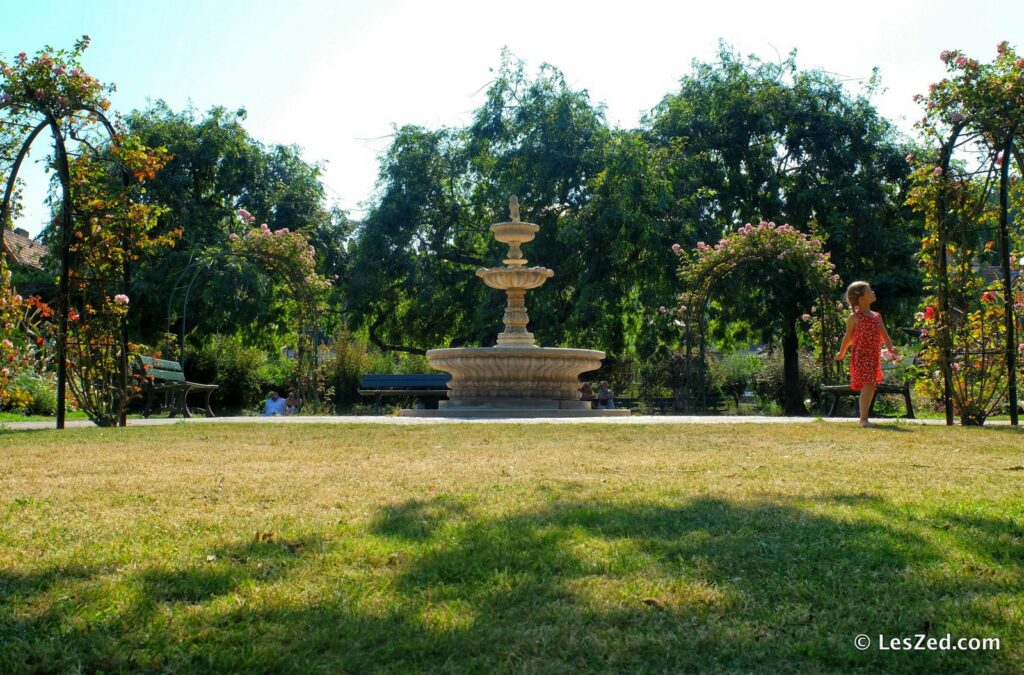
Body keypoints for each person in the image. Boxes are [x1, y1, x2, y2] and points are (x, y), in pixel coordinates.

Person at [835, 281, 898, 427]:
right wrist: (842, 352)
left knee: (870, 386)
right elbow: (847, 337)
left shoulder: (876, 316)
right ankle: (863, 420)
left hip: (873, 357)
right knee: (868, 385)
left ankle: (864, 418)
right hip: (861, 356)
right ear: (861, 297)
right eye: (869, 290)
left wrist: (890, 347)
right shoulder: (855, 317)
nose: (873, 292)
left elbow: (884, 335)